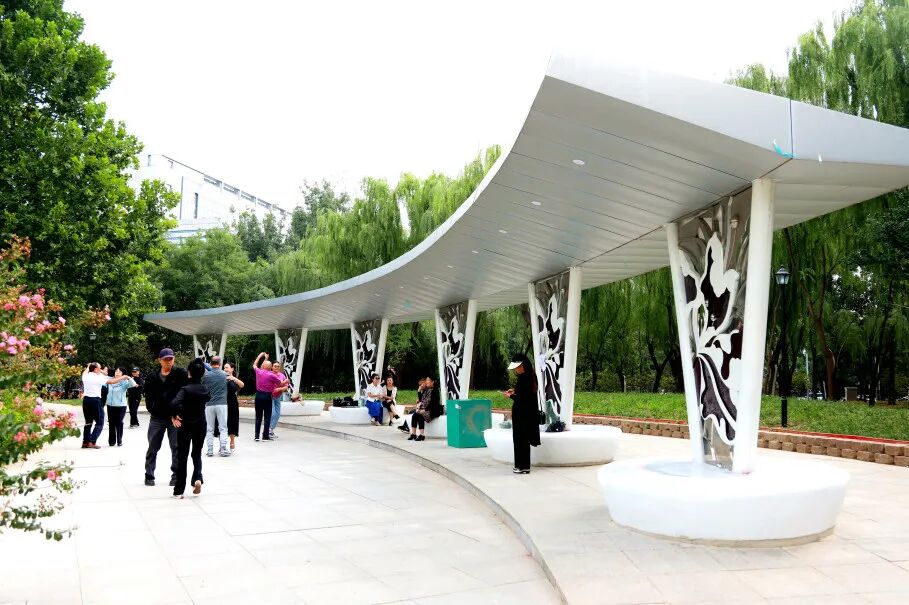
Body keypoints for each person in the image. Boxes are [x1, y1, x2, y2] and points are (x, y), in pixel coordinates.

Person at [143, 348, 188, 487]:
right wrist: (153, 409)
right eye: (165, 359)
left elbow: (184, 394)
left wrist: (178, 413)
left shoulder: (180, 374)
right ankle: (149, 475)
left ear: (174, 359)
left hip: (175, 417)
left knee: (176, 447)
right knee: (152, 447)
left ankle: (176, 476)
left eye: (171, 359)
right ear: (160, 360)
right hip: (157, 417)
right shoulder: (152, 377)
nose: (168, 362)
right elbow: (148, 397)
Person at [171, 359, 210, 498]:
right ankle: (197, 478)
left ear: (189, 373)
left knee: (183, 456)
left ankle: (179, 490)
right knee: (197, 453)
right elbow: (208, 398)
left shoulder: (185, 389)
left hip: (185, 425)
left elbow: (174, 403)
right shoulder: (205, 388)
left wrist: (175, 415)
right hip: (201, 424)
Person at [503, 353, 541, 474]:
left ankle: (522, 466)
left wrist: (510, 395)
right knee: (523, 440)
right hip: (526, 414)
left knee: (520, 440)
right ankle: (523, 466)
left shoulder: (524, 378)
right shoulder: (531, 376)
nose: (516, 370)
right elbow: (526, 393)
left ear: (523, 365)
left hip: (522, 414)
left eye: (518, 367)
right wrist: (514, 390)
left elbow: (522, 398)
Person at [81, 363, 129, 449]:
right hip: (95, 400)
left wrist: (89, 366)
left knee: (88, 422)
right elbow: (111, 381)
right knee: (100, 422)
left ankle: (85, 442)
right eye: (100, 368)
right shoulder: (98, 377)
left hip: (86, 400)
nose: (101, 370)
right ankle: (92, 441)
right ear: (95, 369)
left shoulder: (85, 376)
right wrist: (123, 377)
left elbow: (86, 371)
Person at [201, 356, 230, 457]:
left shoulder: (206, 376)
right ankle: (223, 449)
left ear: (210, 363)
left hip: (209, 404)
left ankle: (210, 450)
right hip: (222, 403)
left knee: (209, 428)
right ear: (220, 363)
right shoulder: (225, 375)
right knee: (223, 427)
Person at [252, 352, 283, 442]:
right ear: (271, 367)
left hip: (258, 395)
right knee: (267, 417)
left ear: (263, 366)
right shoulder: (272, 375)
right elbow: (280, 383)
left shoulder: (258, 372)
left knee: (258, 416)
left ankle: (256, 436)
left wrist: (260, 356)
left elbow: (254, 364)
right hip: (268, 396)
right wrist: (286, 382)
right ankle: (265, 436)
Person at [106, 368, 136, 447]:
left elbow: (133, 384)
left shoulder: (125, 382)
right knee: (111, 423)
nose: (117, 373)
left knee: (119, 422)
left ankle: (119, 440)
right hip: (110, 405)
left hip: (121, 406)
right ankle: (111, 441)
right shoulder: (110, 380)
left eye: (119, 372)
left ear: (123, 374)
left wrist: (128, 377)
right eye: (116, 371)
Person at [408, 376, 441, 442]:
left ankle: (422, 435)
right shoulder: (427, 390)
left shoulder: (435, 391)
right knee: (414, 415)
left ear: (432, 382)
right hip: (426, 409)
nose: (426, 382)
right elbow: (421, 400)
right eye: (426, 380)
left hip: (432, 411)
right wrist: (419, 391)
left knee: (420, 415)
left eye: (428, 380)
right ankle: (413, 434)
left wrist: (424, 410)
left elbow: (432, 403)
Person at [223, 362, 244, 452]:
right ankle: (222, 444)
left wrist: (233, 378)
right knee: (223, 422)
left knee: (232, 421)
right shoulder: (221, 377)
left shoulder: (234, 379)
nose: (225, 369)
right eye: (224, 368)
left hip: (232, 403)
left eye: (227, 367)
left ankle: (232, 441)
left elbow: (242, 385)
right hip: (223, 402)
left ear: (232, 369)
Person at [268, 360, 289, 439]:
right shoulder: (269, 374)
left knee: (277, 414)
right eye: (275, 366)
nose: (277, 367)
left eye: (278, 366)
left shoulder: (282, 375)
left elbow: (286, 386)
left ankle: (271, 430)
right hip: (270, 396)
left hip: (278, 396)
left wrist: (279, 389)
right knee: (273, 413)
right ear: (272, 367)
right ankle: (268, 430)